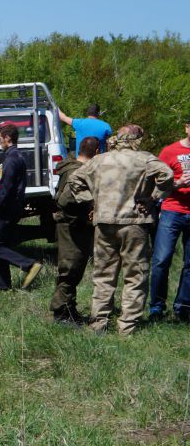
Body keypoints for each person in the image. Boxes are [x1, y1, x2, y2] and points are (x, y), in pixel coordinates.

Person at [69, 125, 173, 335]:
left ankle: (99, 323)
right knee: (135, 275)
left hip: (104, 223)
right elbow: (167, 174)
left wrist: (92, 202)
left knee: (103, 274)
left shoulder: (99, 160)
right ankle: (127, 327)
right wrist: (152, 198)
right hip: (134, 222)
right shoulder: (144, 159)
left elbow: (75, 179)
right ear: (136, 140)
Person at [0, 123, 43, 291]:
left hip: (5, 209)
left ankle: (29, 265)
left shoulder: (11, 160)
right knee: (0, 246)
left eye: (0, 139)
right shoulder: (17, 156)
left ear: (7, 138)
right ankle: (2, 287)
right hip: (13, 208)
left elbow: (6, 188)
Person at [51, 137, 100, 323]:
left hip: (69, 224)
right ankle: (61, 313)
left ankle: (69, 308)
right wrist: (84, 215)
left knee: (74, 268)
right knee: (70, 269)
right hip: (71, 226)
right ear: (97, 152)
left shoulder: (71, 166)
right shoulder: (79, 171)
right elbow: (66, 200)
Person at [148, 119, 190, 323]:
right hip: (172, 211)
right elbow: (157, 182)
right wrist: (177, 183)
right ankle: (156, 307)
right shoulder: (169, 151)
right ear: (187, 128)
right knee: (161, 260)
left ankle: (183, 308)